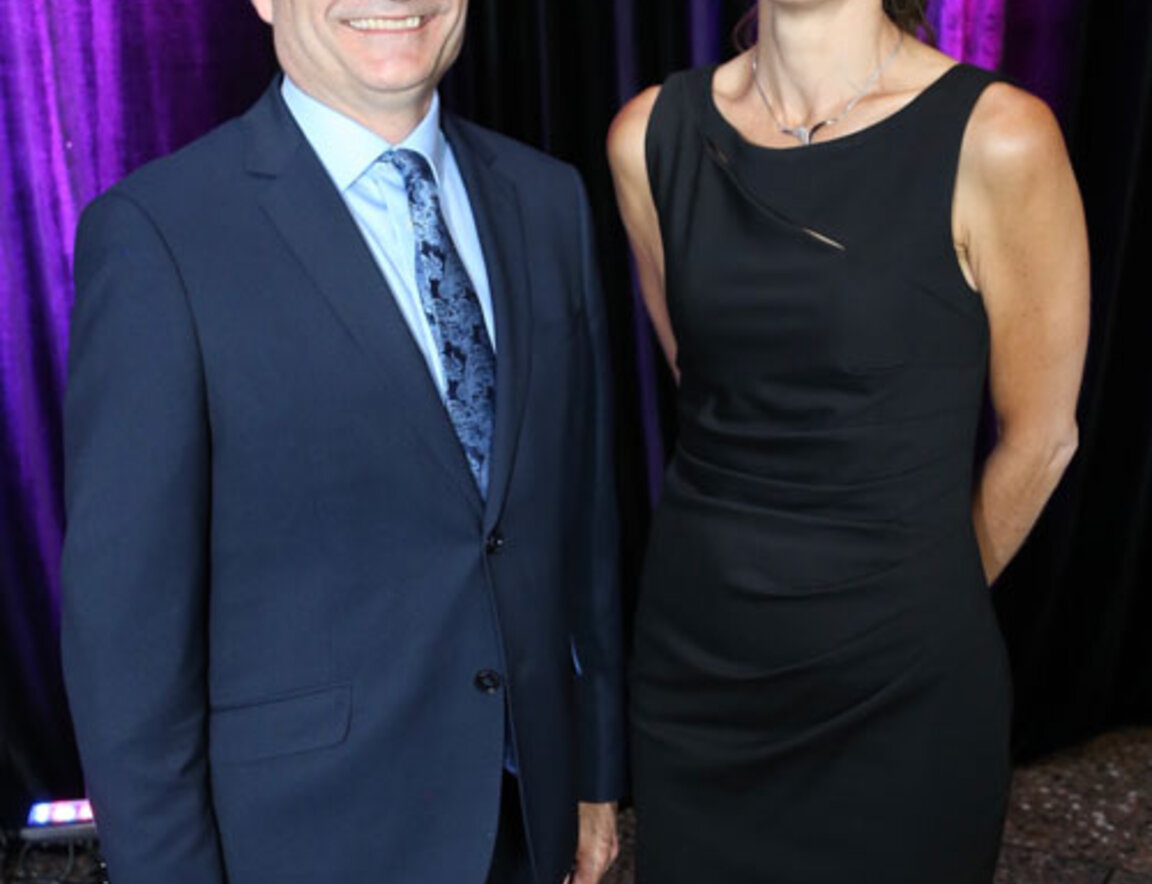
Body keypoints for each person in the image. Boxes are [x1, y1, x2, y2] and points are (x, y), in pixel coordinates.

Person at [60, 2, 624, 882]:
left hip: (528, 817)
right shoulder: (157, 235)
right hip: (310, 844)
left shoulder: (548, 198)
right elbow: (124, 646)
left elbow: (582, 519)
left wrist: (595, 768)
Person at [608, 0, 1088, 880]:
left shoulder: (1000, 136)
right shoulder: (648, 136)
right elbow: (708, 382)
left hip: (899, 682)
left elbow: (1043, 438)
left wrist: (916, 601)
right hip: (701, 668)